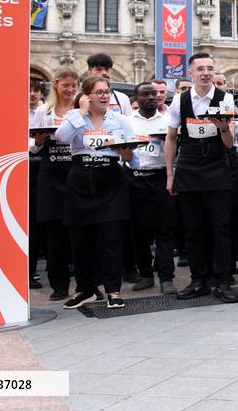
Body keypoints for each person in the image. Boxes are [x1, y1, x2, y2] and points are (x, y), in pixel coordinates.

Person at [54, 76, 136, 309]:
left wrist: (127, 152)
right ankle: (85, 289)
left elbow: (132, 159)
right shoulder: (75, 117)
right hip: (81, 177)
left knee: (110, 238)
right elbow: (61, 137)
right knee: (81, 240)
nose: (104, 96)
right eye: (98, 92)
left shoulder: (120, 119)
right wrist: (80, 113)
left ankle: (113, 290)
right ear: (87, 95)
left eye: (106, 92)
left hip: (110, 177)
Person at [165, 53, 238, 303]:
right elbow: (172, 138)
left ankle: (223, 279)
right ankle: (199, 280)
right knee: (192, 227)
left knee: (221, 226)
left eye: (210, 68)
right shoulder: (179, 100)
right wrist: (169, 174)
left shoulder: (226, 98)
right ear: (191, 73)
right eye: (200, 69)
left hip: (217, 164)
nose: (206, 73)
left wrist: (221, 127)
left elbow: (230, 143)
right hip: (189, 165)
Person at [31, 69, 79, 301]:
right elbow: (32, 146)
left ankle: (85, 281)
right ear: (56, 85)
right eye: (65, 85)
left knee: (79, 233)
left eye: (73, 86)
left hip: (76, 173)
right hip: (50, 175)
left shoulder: (80, 111)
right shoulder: (43, 111)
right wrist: (38, 140)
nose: (69, 90)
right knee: (54, 235)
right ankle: (59, 284)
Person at [127, 83, 177, 295]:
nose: (152, 98)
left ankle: (166, 277)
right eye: (146, 94)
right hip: (134, 178)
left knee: (163, 230)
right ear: (136, 99)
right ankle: (146, 274)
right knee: (138, 231)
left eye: (155, 94)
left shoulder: (168, 121)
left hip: (159, 177)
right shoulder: (127, 122)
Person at [28, 78, 45, 290]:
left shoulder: (45, 112)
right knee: (29, 223)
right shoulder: (15, 110)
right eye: (28, 90)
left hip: (43, 167)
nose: (32, 94)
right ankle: (28, 271)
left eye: (36, 91)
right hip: (23, 167)